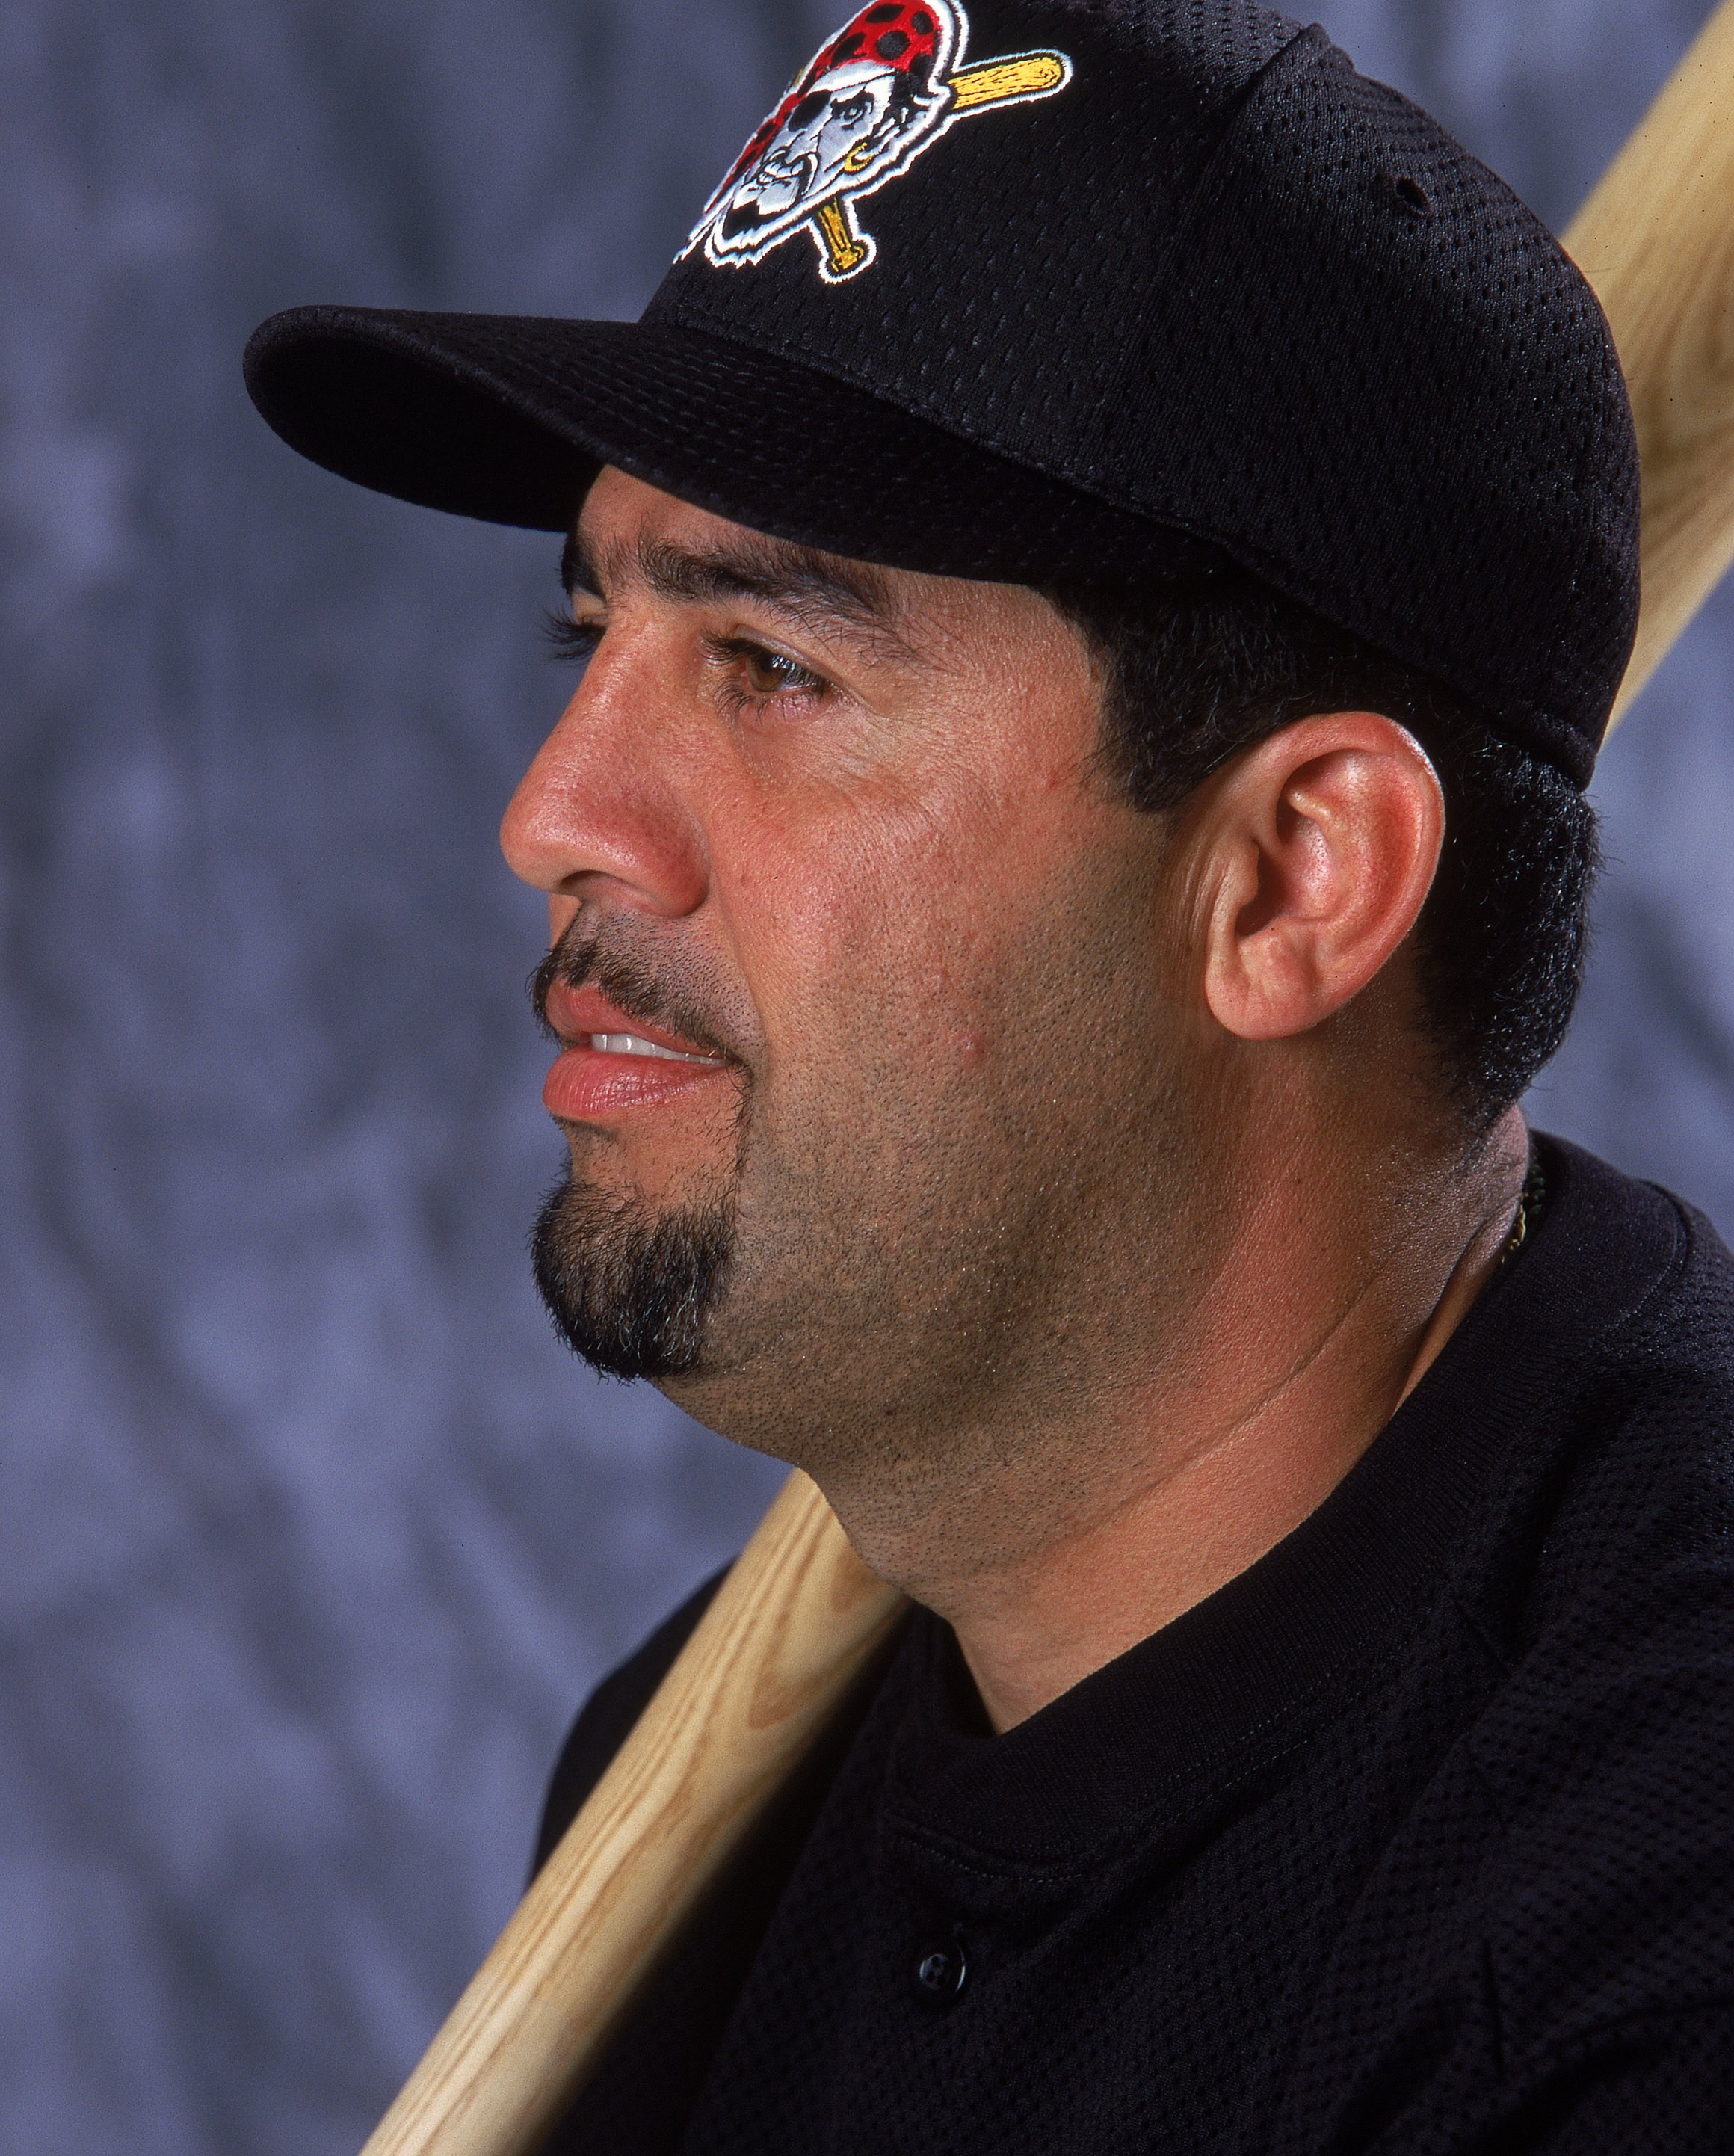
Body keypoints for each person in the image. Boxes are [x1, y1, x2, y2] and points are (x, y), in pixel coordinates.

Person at [244, 1, 1734, 2149]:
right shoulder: (685, 1816)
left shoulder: (1626, 1960)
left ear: (1294, 880)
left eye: (770, 662)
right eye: (597, 638)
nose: (557, 810)